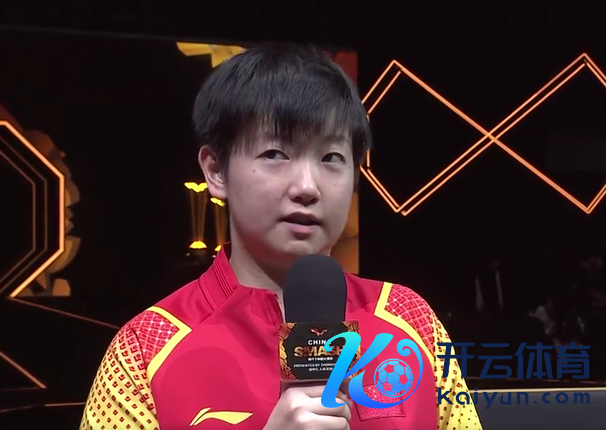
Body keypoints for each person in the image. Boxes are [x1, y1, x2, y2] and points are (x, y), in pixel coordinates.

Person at [79, 43, 482, 430]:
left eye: (331, 158)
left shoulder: (410, 319)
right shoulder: (144, 349)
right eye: (275, 154)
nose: (307, 187)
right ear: (216, 170)